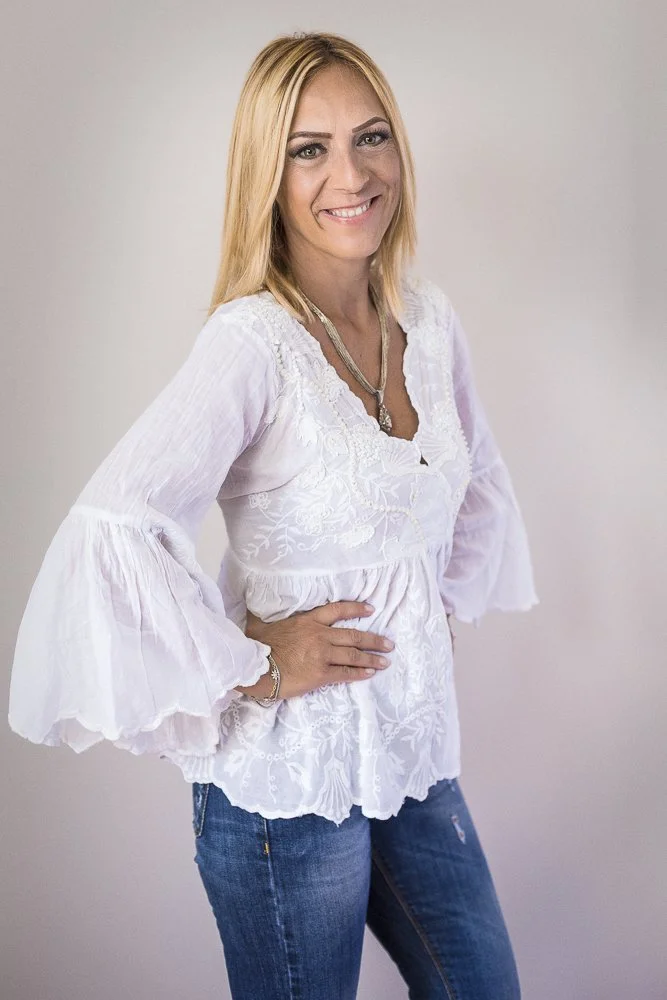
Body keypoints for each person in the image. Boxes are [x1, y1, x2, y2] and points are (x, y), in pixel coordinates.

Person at [8, 30, 539, 1000]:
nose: (351, 172)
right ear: (270, 172)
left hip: (411, 753)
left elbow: (478, 480)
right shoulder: (251, 343)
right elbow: (111, 524)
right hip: (285, 787)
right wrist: (254, 658)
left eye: (371, 136)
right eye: (310, 147)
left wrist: (430, 608)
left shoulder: (430, 321)